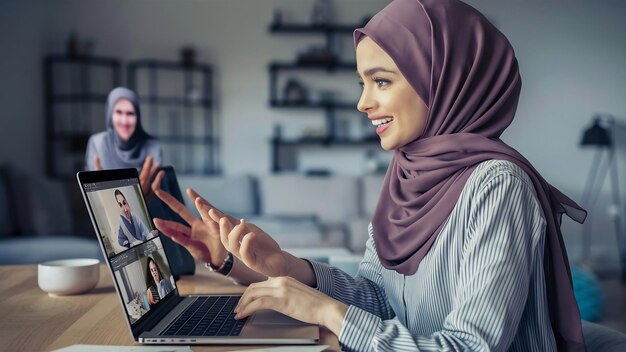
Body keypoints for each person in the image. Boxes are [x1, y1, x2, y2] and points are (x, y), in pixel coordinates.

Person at [151, 0, 588, 351]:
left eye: (380, 81)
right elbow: (381, 299)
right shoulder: (406, 173)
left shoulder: (499, 187)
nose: (362, 103)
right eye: (363, 82)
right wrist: (282, 266)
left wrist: (327, 312)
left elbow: (469, 346)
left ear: (442, 80)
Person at [85, 87, 161, 198]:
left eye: (130, 113)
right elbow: (93, 196)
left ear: (138, 116)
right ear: (110, 114)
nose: (124, 121)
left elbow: (156, 192)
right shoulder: (97, 143)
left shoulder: (152, 146)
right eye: (118, 112)